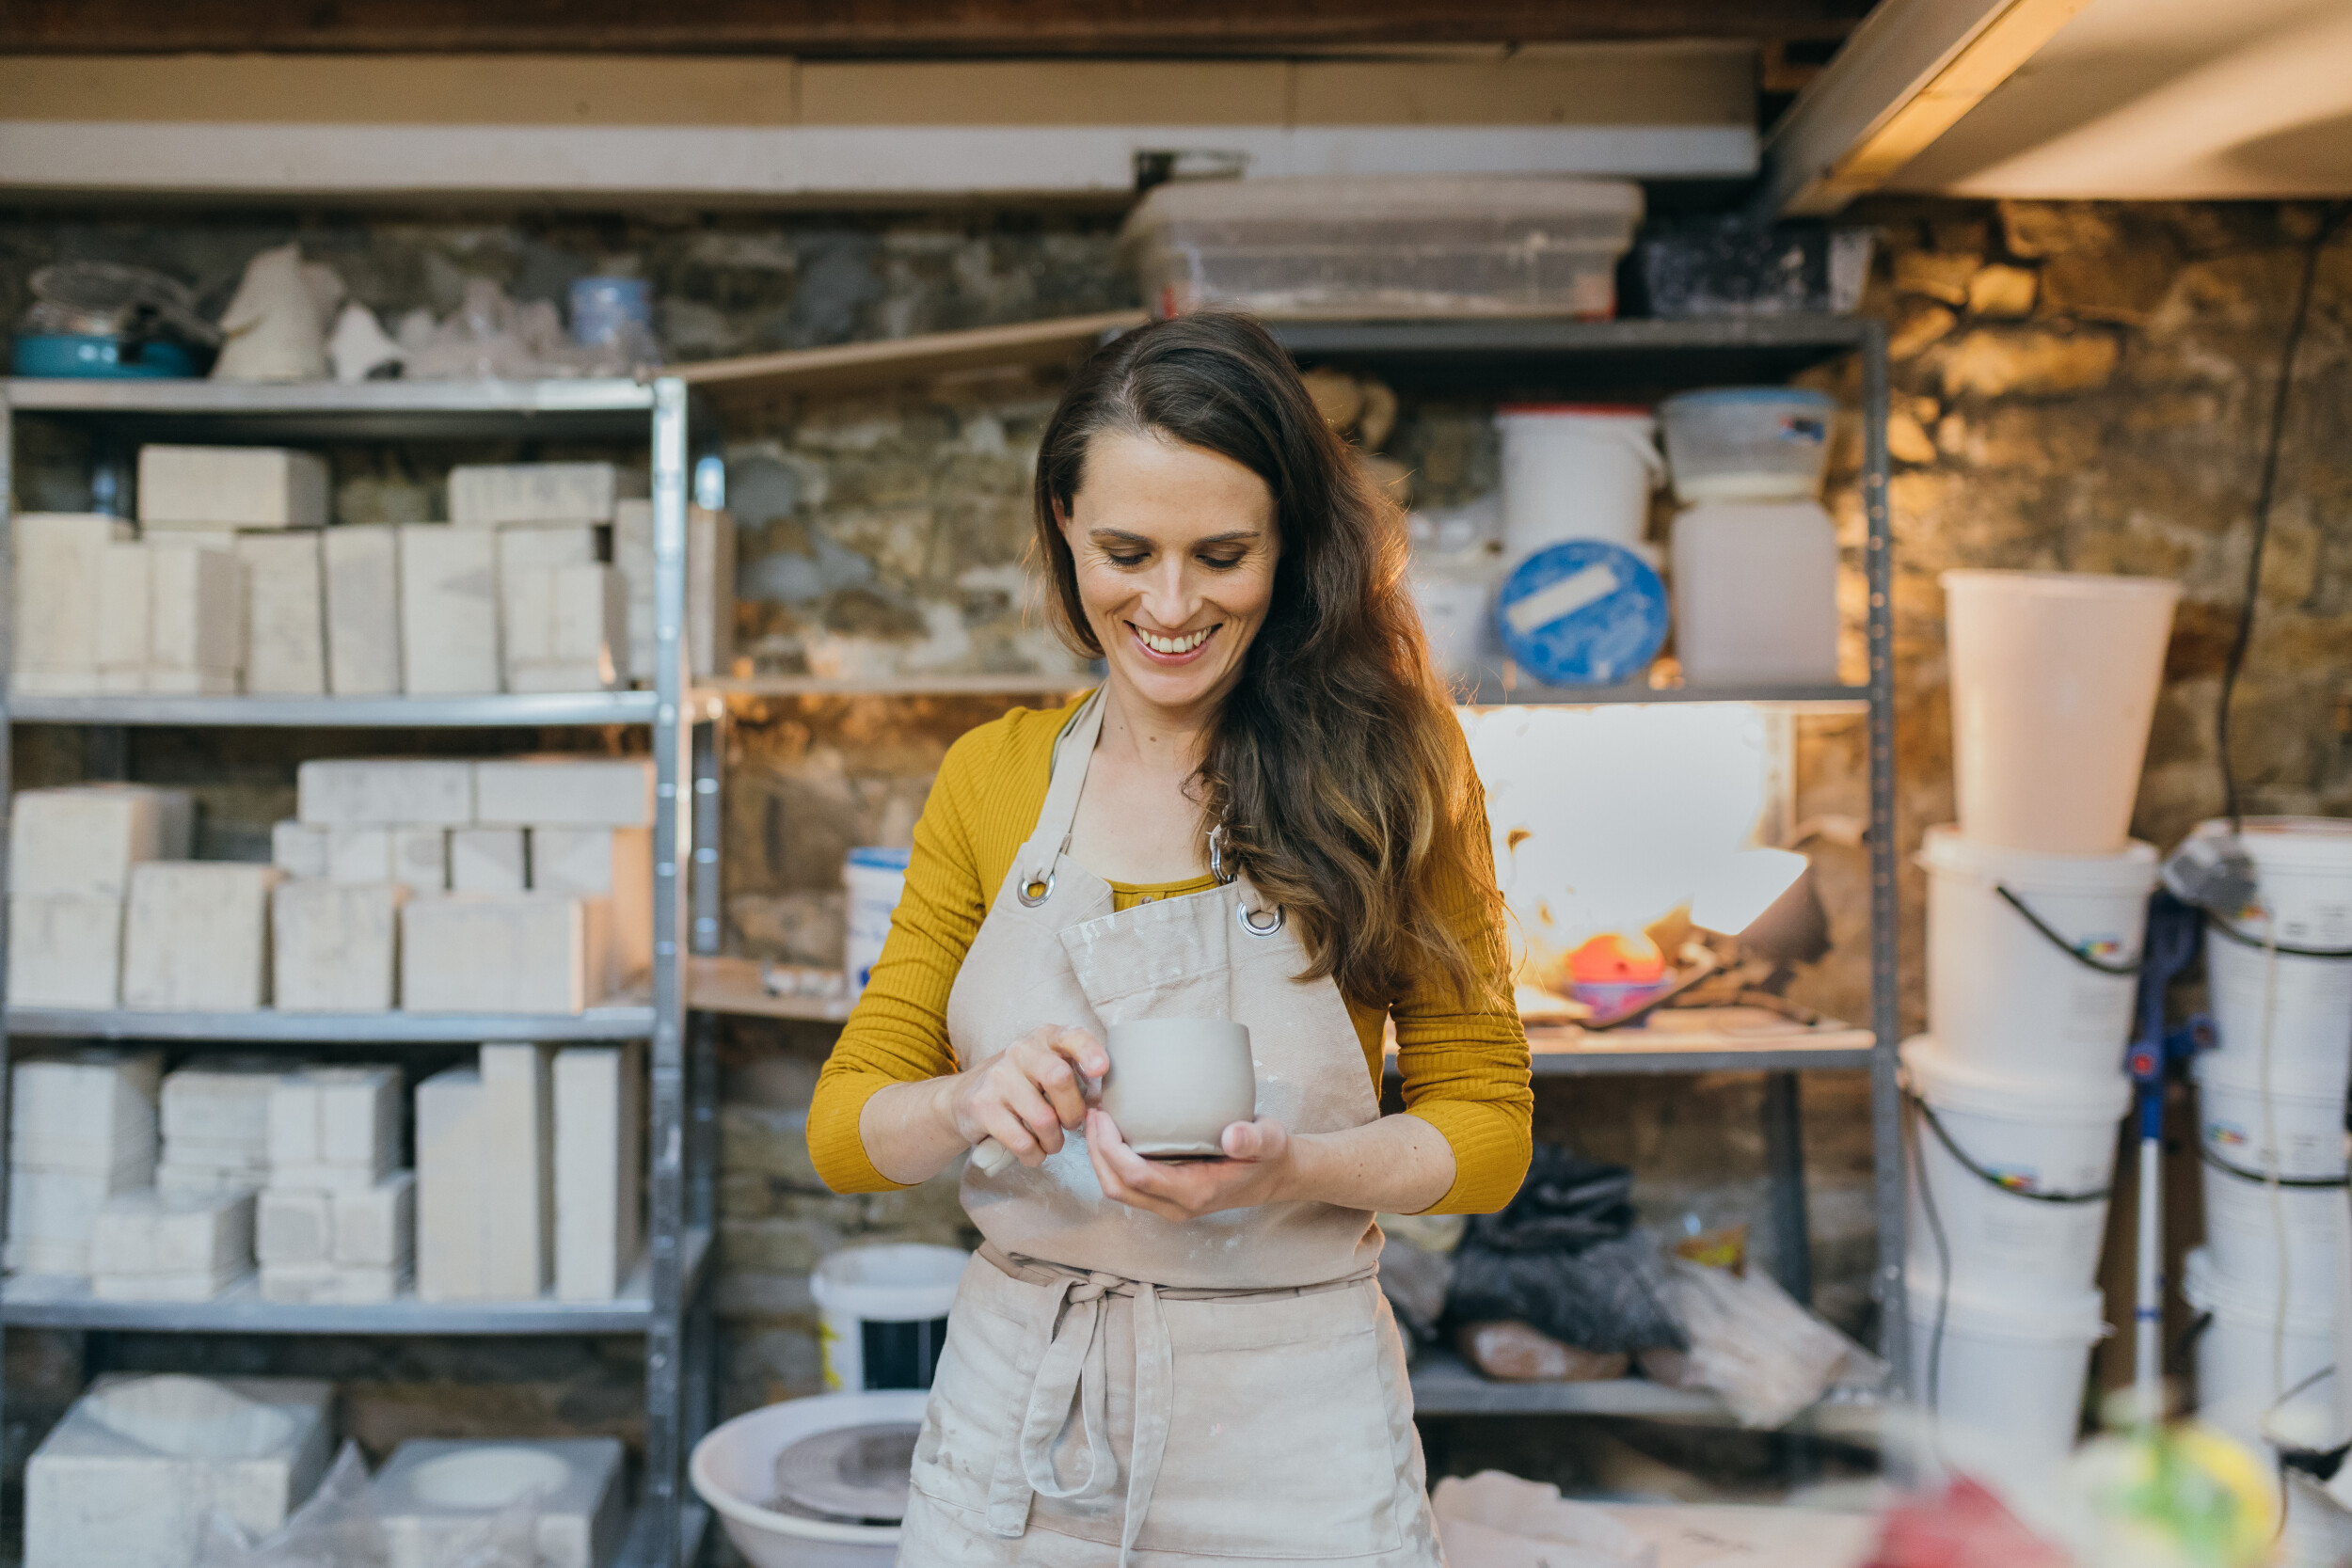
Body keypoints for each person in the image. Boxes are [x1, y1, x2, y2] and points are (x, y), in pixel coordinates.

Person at [807, 311, 1533, 1568]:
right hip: (1023, 1414)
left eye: (1224, 554)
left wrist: (1297, 1167)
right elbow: (844, 1131)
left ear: (1291, 546)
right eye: (1126, 551)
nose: (1171, 603)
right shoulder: (991, 781)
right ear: (1063, 530)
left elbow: (1489, 1131)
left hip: (1297, 1429)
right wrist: (973, 1099)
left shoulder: (1391, 772)